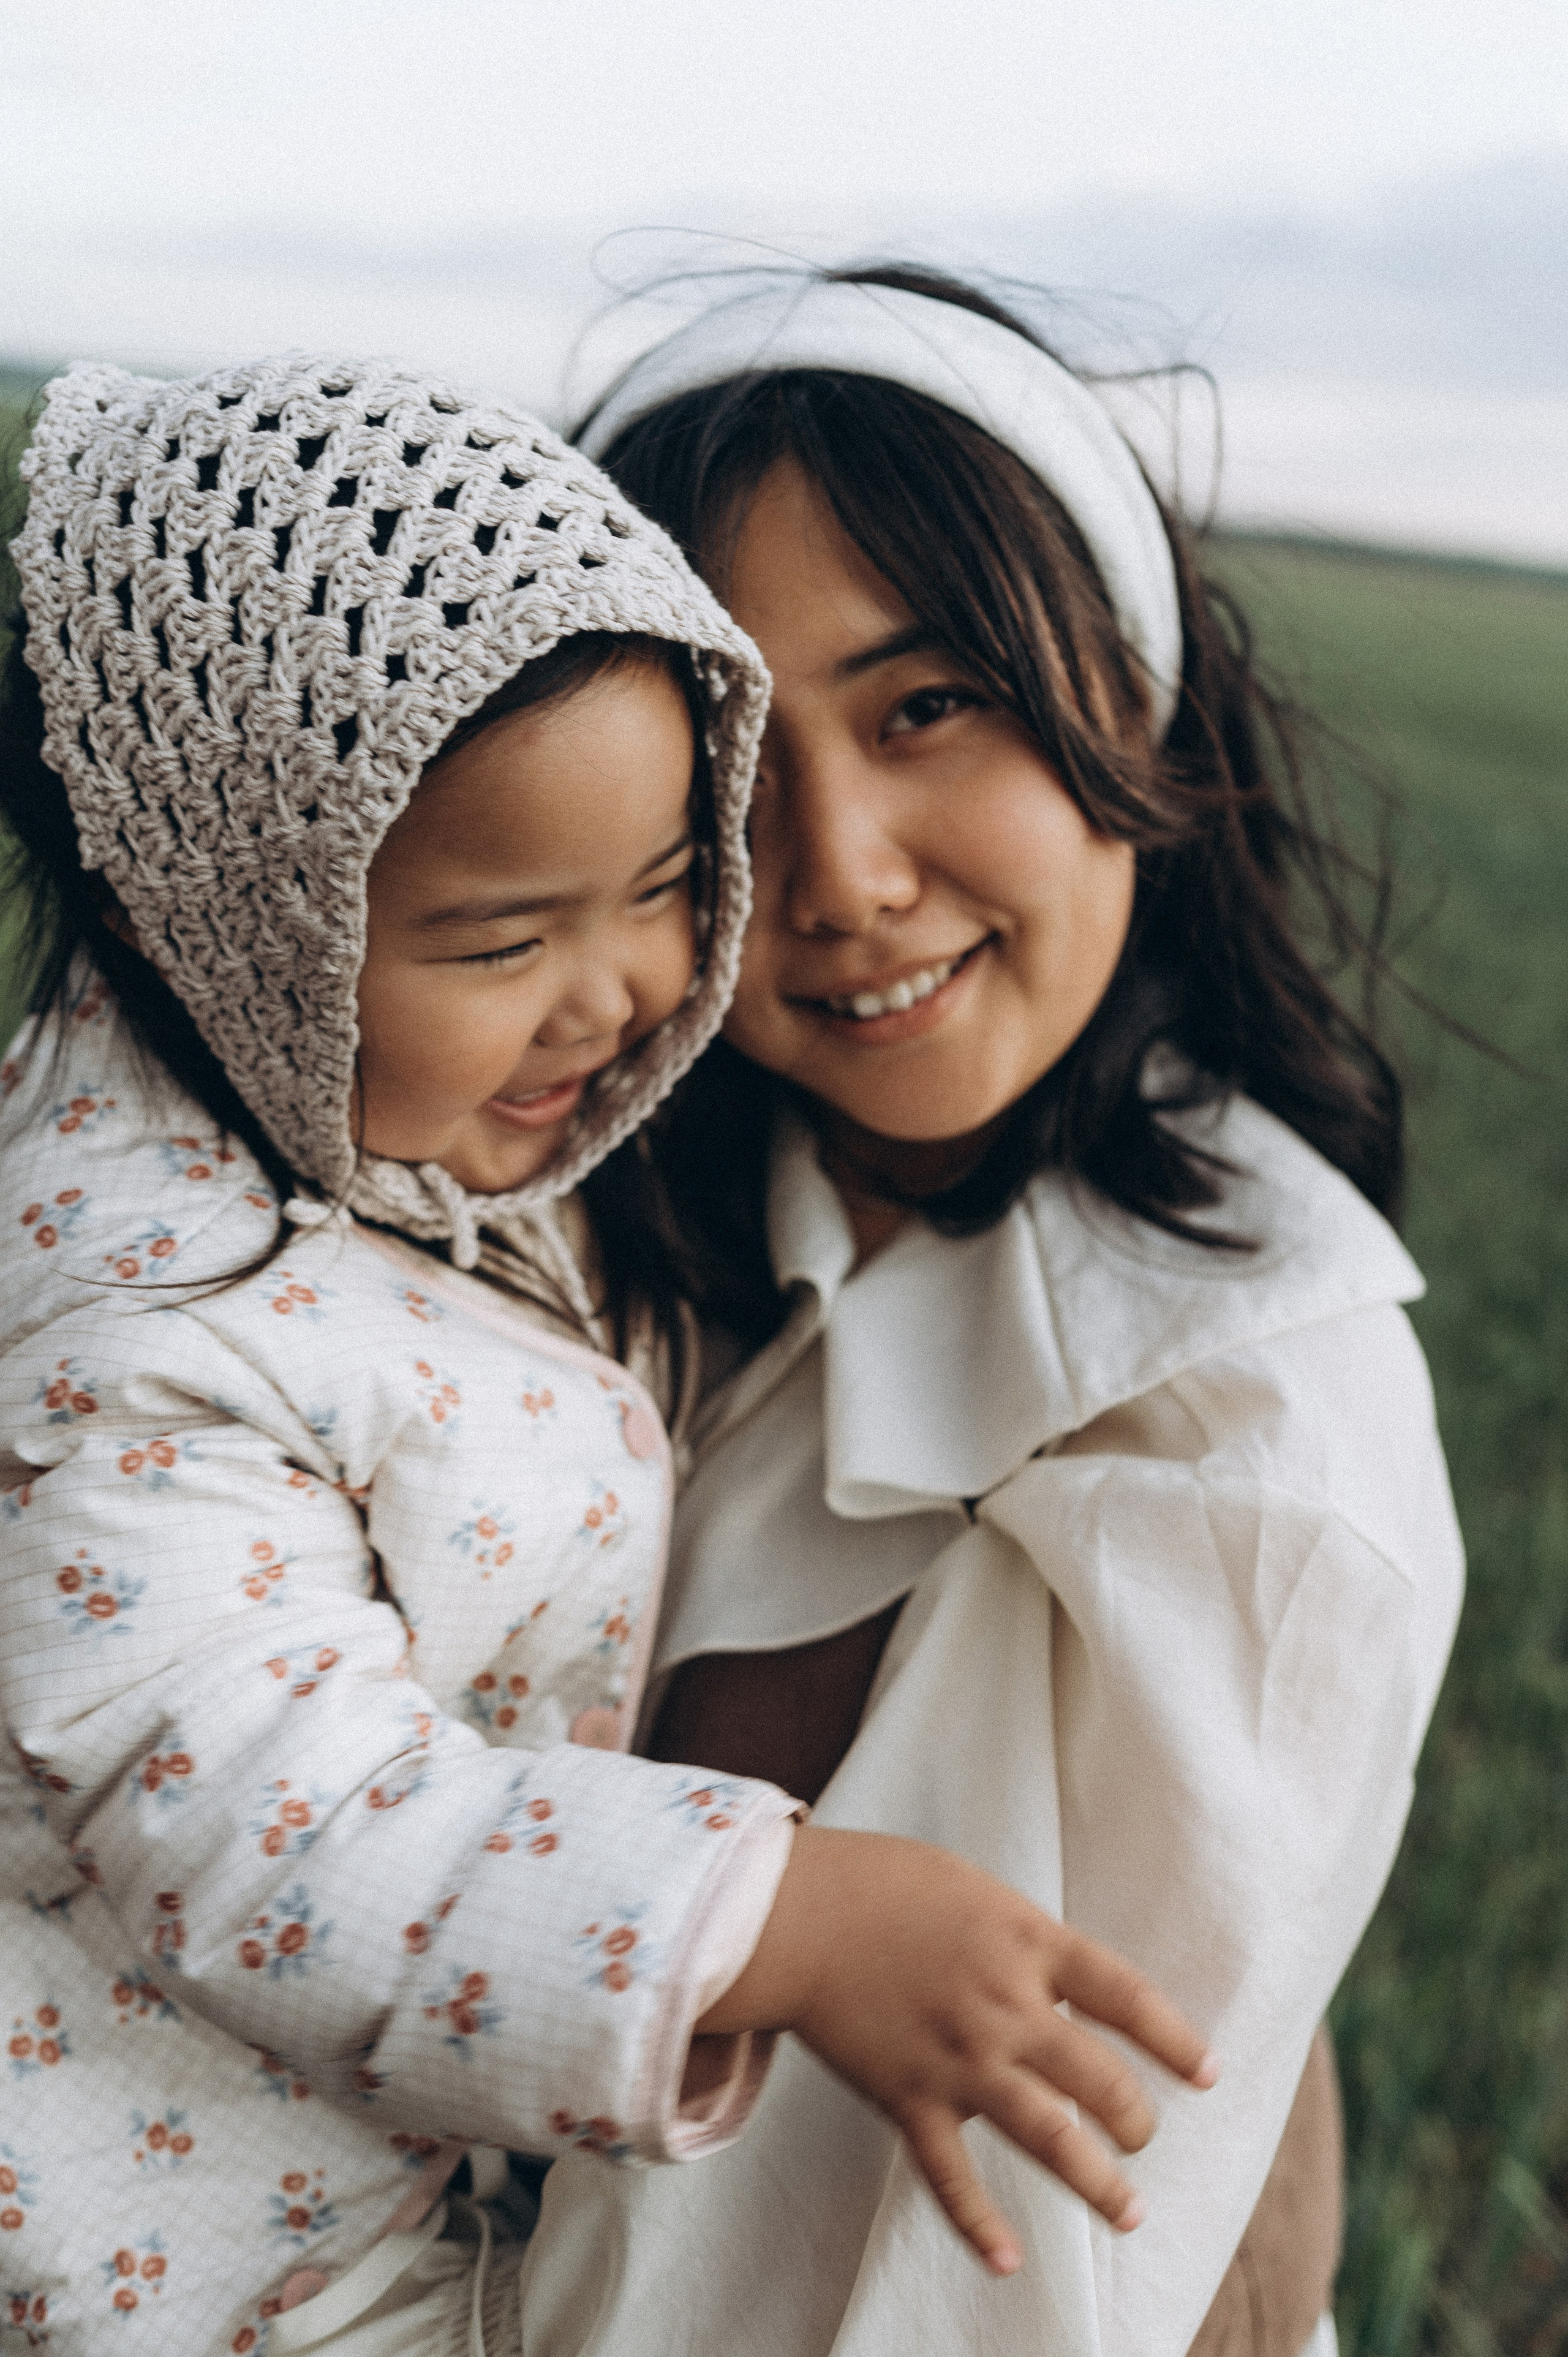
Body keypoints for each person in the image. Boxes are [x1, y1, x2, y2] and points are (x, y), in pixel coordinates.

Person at [0, 355, 1210, 2353]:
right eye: (502, 942)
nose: (621, 994)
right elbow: (282, 1826)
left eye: (663, 888)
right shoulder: (144, 1347)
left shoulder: (404, 1134)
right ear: (213, 916)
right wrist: (778, 1922)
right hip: (192, 2267)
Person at [510, 271, 1467, 2357]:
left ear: (1129, 697)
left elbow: (999, 2275)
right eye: (727, 757)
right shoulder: (604, 1236)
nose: (837, 871)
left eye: (927, 704)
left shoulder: (1240, 1438)